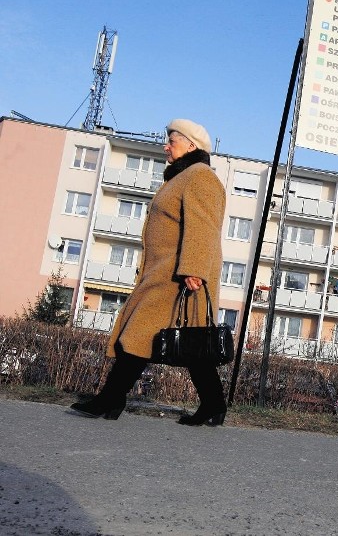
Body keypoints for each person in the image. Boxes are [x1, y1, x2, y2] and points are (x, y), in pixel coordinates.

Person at [71, 119, 227, 426]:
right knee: (192, 347)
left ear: (191, 146)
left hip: (180, 276)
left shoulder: (200, 176)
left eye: (172, 141)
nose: (166, 146)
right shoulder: (181, 177)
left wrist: (193, 269)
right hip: (164, 272)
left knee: (141, 334)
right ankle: (213, 405)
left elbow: (204, 227)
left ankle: (111, 398)